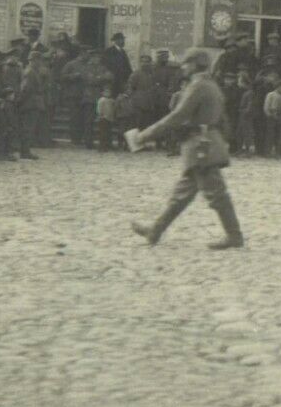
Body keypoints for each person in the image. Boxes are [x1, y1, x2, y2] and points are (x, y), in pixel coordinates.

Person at [130, 47, 243, 250]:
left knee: (216, 194)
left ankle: (234, 236)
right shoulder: (211, 85)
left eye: (186, 63)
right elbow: (222, 118)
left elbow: (177, 116)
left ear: (196, 64)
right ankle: (155, 231)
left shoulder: (198, 86)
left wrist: (144, 135)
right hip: (207, 142)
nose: (183, 67)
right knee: (182, 194)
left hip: (201, 146)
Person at [101, 32, 132, 97]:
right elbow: (105, 65)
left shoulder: (123, 52)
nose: (123, 41)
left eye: (123, 39)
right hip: (113, 80)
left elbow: (127, 66)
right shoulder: (109, 51)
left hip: (122, 80)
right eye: (121, 39)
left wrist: (130, 76)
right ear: (116, 41)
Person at [95, 80, 117, 151]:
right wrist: (101, 115)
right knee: (103, 133)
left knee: (108, 133)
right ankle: (102, 146)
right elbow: (99, 109)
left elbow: (113, 109)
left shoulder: (111, 101)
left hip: (109, 118)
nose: (108, 93)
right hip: (103, 118)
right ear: (102, 93)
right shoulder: (101, 100)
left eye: (109, 92)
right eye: (106, 92)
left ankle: (108, 145)